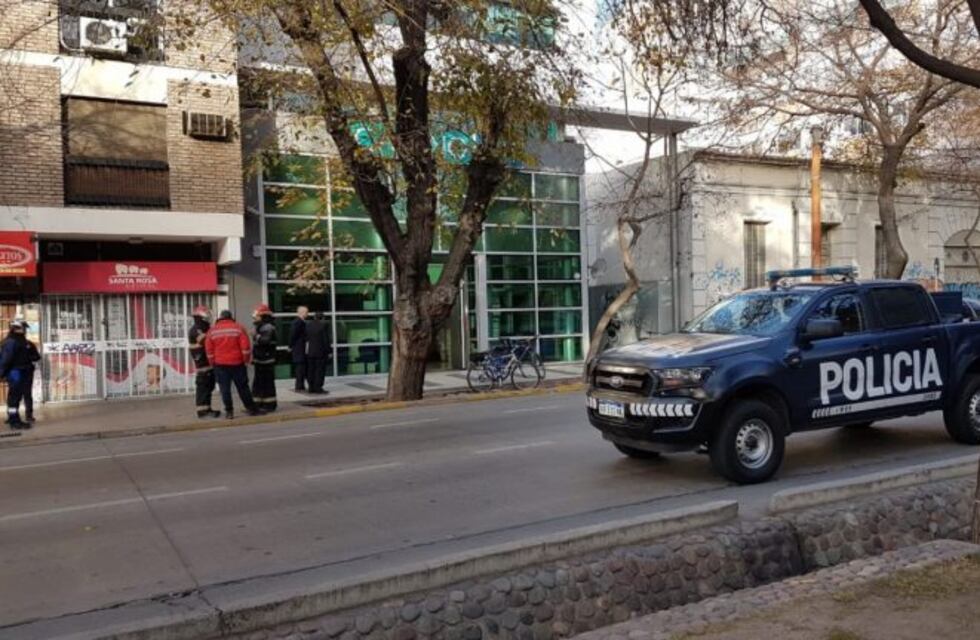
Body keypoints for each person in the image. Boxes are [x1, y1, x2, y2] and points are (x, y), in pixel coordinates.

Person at [205, 310, 262, 419]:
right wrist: (245, 360)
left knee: (225, 389)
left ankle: (229, 412)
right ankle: (251, 409)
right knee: (243, 388)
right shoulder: (239, 328)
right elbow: (245, 348)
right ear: (231, 317)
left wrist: (213, 363)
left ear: (220, 318)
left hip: (220, 364)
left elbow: (209, 350)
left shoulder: (212, 330)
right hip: (237, 364)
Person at [0, 320, 38, 429]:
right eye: (23, 328)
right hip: (15, 373)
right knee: (14, 399)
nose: (25, 330)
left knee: (14, 398)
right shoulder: (11, 341)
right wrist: (1, 373)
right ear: (16, 328)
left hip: (21, 372)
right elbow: (5, 359)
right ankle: (14, 421)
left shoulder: (21, 341)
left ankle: (13, 418)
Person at [188, 305, 221, 419]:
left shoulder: (205, 328)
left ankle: (207, 409)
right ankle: (202, 412)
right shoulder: (196, 329)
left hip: (207, 363)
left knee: (208, 387)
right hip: (202, 364)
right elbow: (204, 340)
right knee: (203, 387)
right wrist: (216, 331)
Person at [251, 303, 278, 412]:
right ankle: (258, 403)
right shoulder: (261, 326)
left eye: (257, 316)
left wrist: (255, 336)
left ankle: (269, 405)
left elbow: (265, 341)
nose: (255, 318)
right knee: (259, 383)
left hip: (266, 360)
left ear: (263, 316)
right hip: (260, 359)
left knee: (267, 383)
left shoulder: (268, 327)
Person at [305, 312, 330, 394]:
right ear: (322, 318)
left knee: (311, 370)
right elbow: (325, 340)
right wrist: (329, 351)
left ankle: (311, 387)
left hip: (310, 351)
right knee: (320, 370)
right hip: (320, 351)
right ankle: (318, 387)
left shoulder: (308, 325)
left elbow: (306, 338)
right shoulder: (323, 326)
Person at [289, 306, 309, 392]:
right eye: (306, 312)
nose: (307, 314)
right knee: (300, 368)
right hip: (299, 349)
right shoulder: (298, 322)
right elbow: (293, 335)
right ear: (301, 313)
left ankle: (300, 385)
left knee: (301, 368)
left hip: (300, 348)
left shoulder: (301, 322)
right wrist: (290, 345)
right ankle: (299, 386)